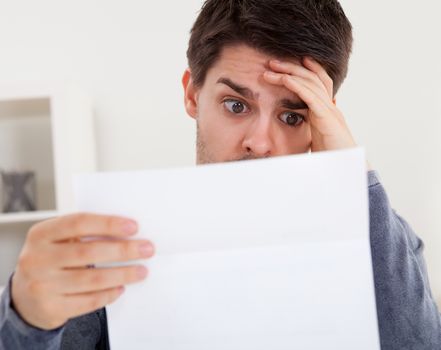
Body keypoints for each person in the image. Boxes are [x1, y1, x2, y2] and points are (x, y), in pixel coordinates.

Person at [1, 0, 440, 349]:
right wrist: (27, 321)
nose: (260, 143)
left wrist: (350, 170)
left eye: (292, 116)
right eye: (236, 105)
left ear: (324, 121)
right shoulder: (108, 246)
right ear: (192, 94)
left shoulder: (380, 240)